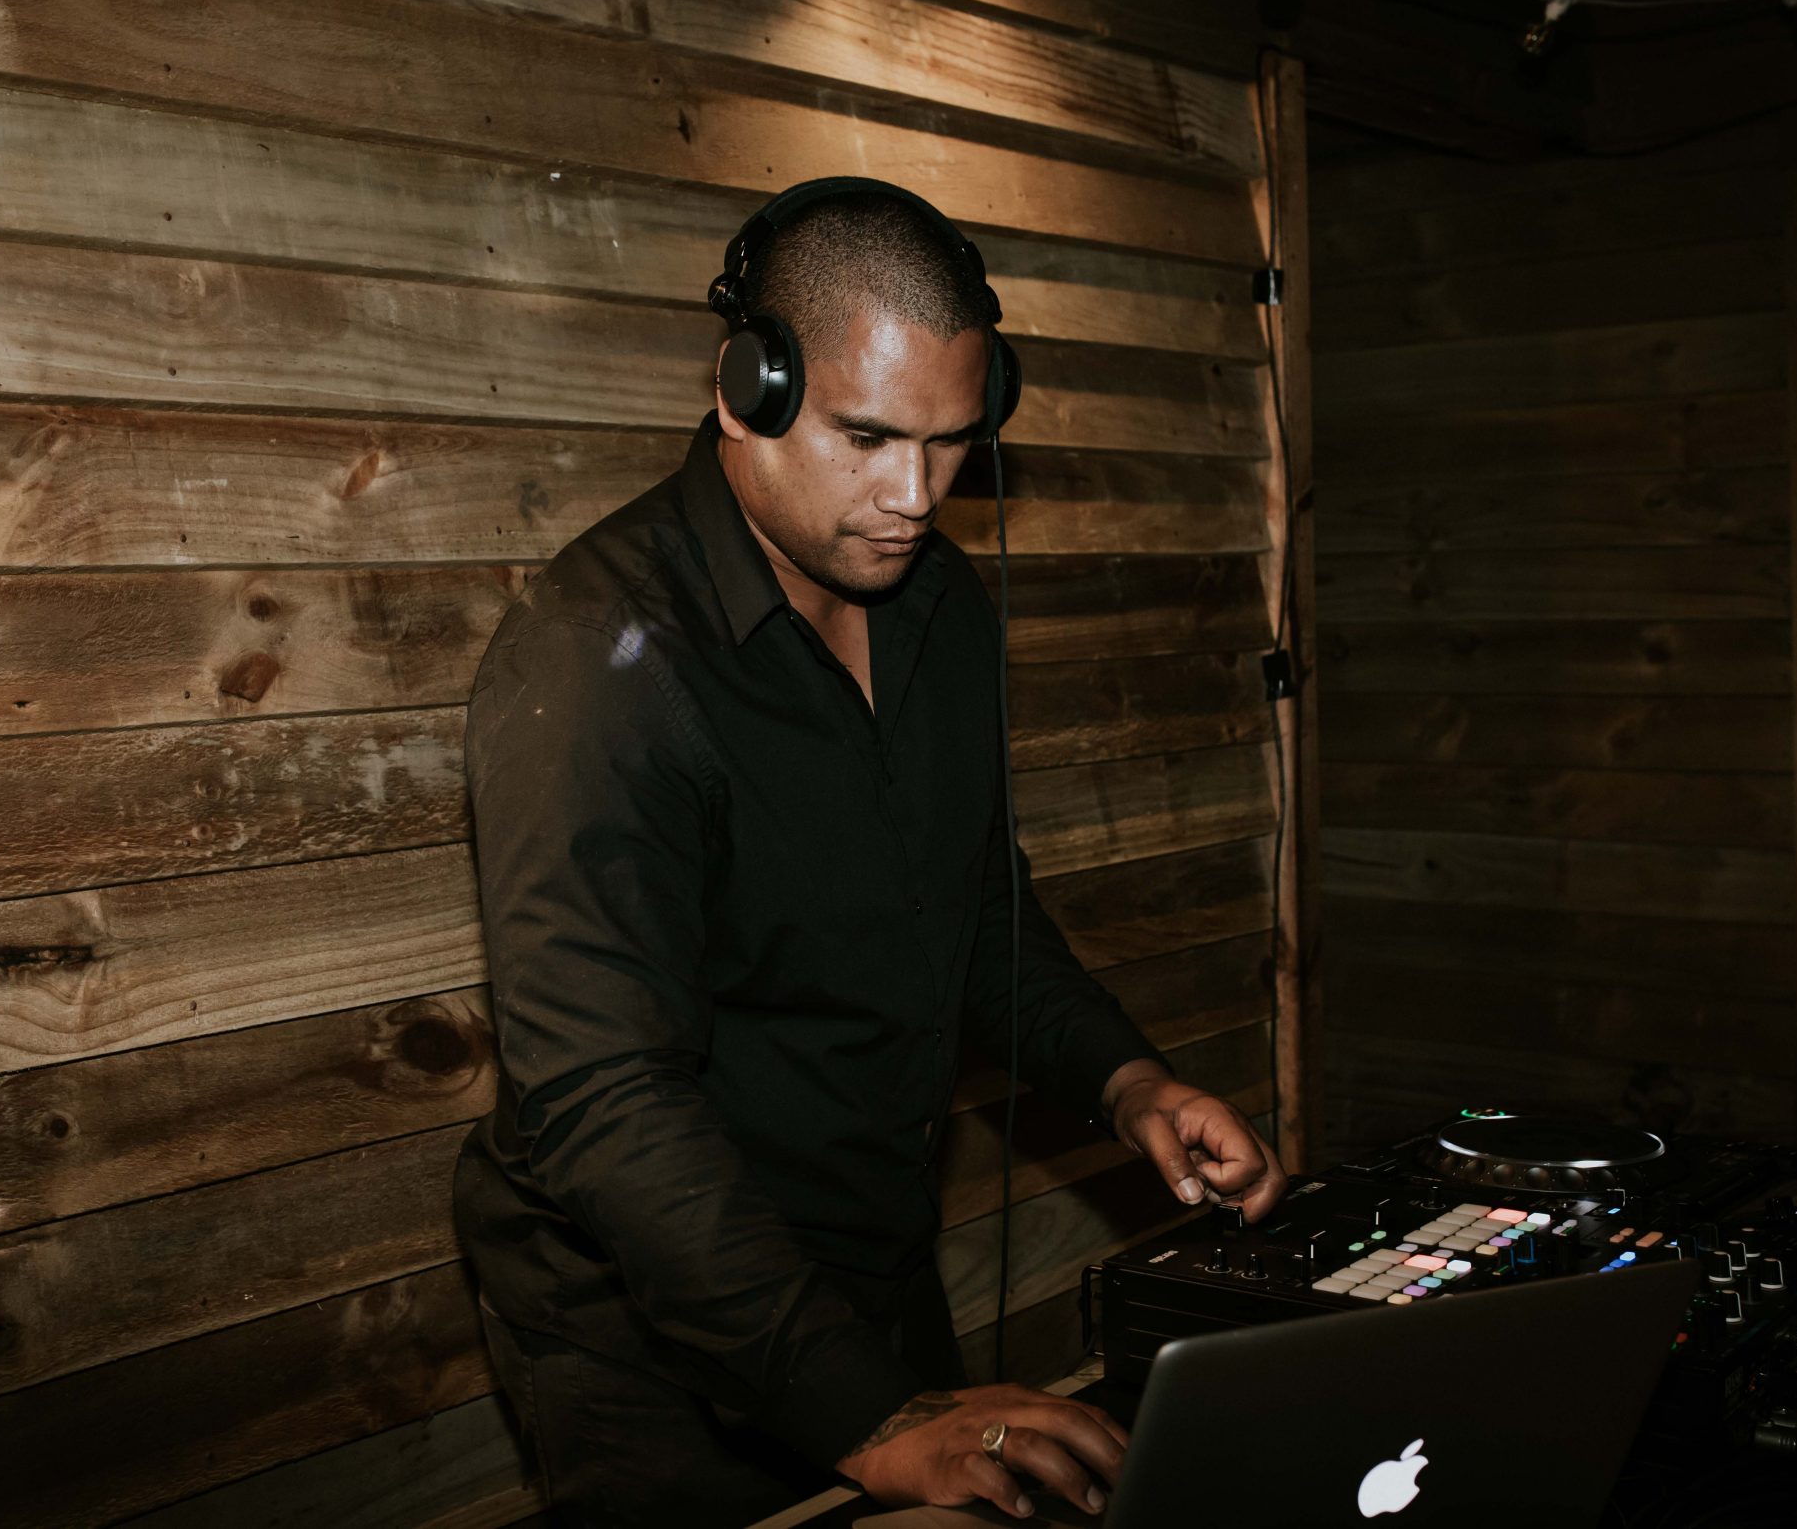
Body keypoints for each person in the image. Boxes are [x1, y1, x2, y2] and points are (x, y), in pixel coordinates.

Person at [452, 178, 1288, 1527]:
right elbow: (604, 1098)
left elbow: (973, 909)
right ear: (748, 390)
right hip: (648, 1316)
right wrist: (866, 1415)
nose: (914, 495)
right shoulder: (597, 660)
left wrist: (1125, 1080)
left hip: (868, 1266)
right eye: (868, 437)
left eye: (952, 444)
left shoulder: (936, 604)